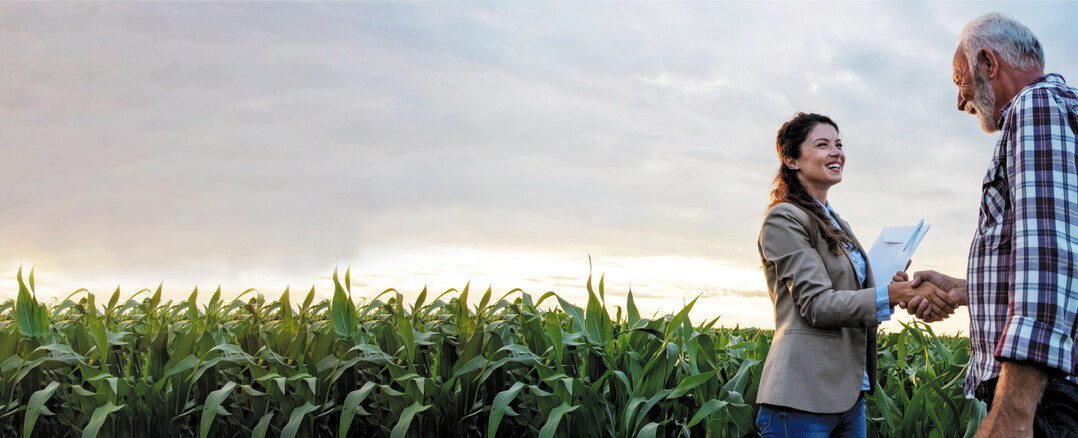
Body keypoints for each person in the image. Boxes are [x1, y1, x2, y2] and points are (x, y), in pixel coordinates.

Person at [902, 12, 1078, 437]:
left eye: (959, 79)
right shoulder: (1060, 110)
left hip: (1042, 396)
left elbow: (1048, 259)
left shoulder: (1035, 107)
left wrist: (1013, 412)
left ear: (988, 63)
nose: (960, 101)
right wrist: (966, 289)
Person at [756, 112, 952, 437]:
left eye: (839, 144)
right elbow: (817, 305)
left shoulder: (838, 224)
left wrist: (891, 285)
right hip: (803, 397)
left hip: (850, 397)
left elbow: (853, 294)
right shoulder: (784, 218)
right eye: (822, 145)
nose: (836, 152)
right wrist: (890, 295)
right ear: (790, 159)